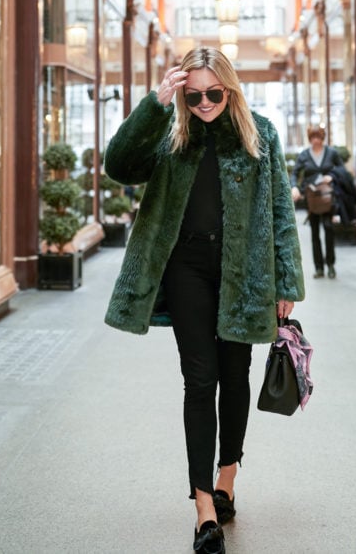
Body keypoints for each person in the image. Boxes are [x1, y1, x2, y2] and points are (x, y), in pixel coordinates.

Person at [103, 47, 304, 554]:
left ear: (230, 88)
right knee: (200, 381)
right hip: (184, 269)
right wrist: (154, 103)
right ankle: (203, 508)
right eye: (193, 95)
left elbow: (281, 207)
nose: (204, 103)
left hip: (245, 272)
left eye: (214, 93)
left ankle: (227, 478)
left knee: (235, 379)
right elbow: (118, 166)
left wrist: (286, 283)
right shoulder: (172, 133)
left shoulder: (259, 132)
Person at [290, 125, 343, 279]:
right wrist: (295, 187)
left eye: (318, 137)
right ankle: (319, 267)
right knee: (314, 232)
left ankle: (331, 265)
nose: (315, 141)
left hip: (327, 197)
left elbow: (342, 171)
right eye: (312, 138)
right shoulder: (304, 155)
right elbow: (295, 174)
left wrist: (332, 176)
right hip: (312, 199)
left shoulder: (331, 153)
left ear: (322, 138)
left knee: (329, 229)